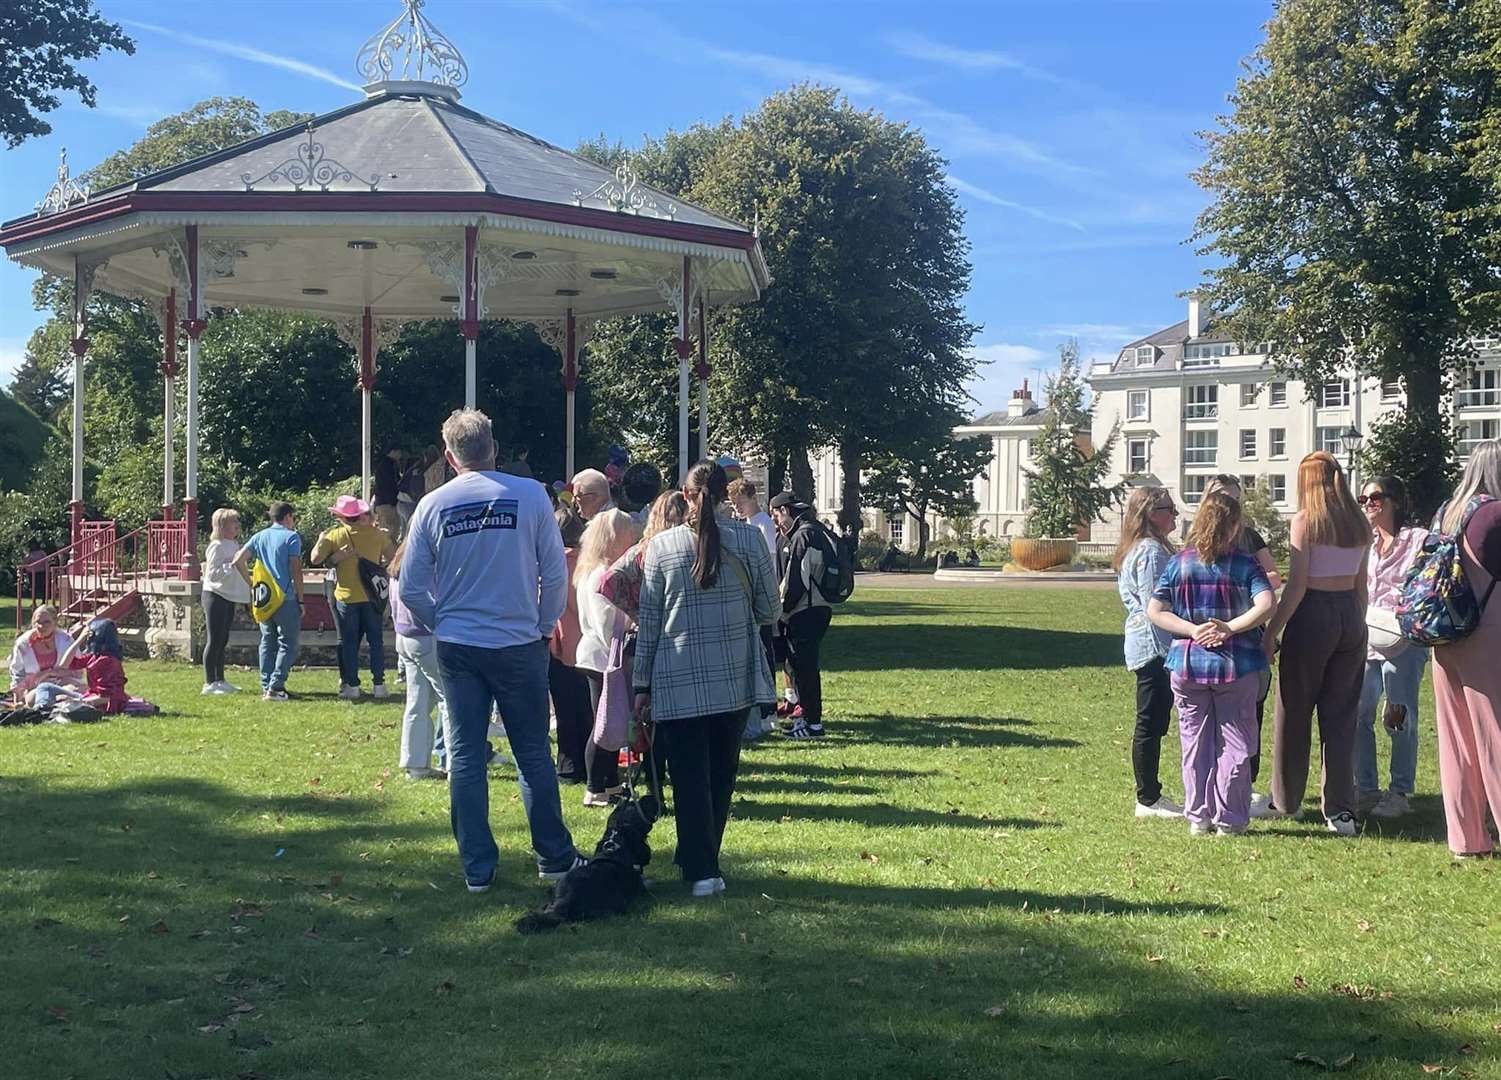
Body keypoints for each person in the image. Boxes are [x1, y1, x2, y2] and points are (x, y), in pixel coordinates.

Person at [400, 407, 583, 891]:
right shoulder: (529, 495)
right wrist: (543, 626)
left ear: (449, 456)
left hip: (460, 644)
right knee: (532, 753)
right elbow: (555, 570)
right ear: (494, 449)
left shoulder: (433, 505)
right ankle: (553, 855)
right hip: (519, 639)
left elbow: (411, 588)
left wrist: (444, 622)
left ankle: (477, 868)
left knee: (464, 755)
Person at [633, 460, 777, 896]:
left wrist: (641, 685)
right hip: (732, 677)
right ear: (724, 494)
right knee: (719, 775)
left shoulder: (660, 548)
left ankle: (699, 864)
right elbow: (770, 610)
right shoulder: (751, 541)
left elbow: (650, 624)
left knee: (689, 777)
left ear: (685, 493)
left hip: (675, 679)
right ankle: (703, 862)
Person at [1148, 491, 1276, 836]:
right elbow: (1266, 603)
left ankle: (1198, 815)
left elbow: (1155, 610)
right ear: (1234, 526)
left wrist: (1192, 630)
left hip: (1187, 664)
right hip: (1236, 665)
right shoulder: (1246, 564)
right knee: (1235, 742)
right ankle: (1229, 818)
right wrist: (1230, 628)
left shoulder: (1179, 563)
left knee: (1194, 742)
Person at [1263, 452, 1372, 836]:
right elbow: (1362, 586)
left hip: (1313, 615)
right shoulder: (1360, 523)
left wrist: (1271, 630)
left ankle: (1286, 801)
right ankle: (1341, 811)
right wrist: (1358, 624)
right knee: (1341, 716)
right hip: (1351, 615)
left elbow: (1296, 587)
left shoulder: (1305, 521)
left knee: (1294, 710)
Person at [1429, 440, 1501, 858]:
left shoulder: (1447, 512)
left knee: (1456, 741)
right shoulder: (1494, 514)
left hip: (1445, 631)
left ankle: (1466, 839)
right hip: (1487, 630)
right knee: (1495, 734)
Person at [1204, 474, 1284, 812]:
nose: (1228, 503)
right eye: (1222, 496)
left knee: (1250, 713)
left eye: (1234, 497)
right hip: (1208, 637)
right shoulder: (1196, 539)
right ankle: (1211, 784)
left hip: (1247, 632)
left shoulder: (1249, 537)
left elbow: (1274, 576)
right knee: (1208, 718)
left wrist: (1247, 583)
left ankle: (1245, 784)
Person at [1354, 475, 1430, 819]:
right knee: (1358, 712)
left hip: (1404, 641)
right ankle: (1365, 786)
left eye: (1375, 498)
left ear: (1395, 501)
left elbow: (1429, 582)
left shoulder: (1418, 539)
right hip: (1367, 638)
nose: (1368, 504)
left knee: (1397, 718)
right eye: (1364, 499)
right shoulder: (1363, 541)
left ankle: (1399, 791)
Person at [1111, 485, 1185, 820]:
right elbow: (1155, 604)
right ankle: (1148, 797)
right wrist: (1170, 651)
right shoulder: (1152, 552)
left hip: (1148, 642)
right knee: (1150, 721)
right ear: (1150, 514)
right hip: (1154, 646)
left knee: (1153, 720)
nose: (1175, 515)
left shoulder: (1142, 548)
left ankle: (1150, 794)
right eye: (1169, 508)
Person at [575, 509, 642, 806]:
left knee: (612, 718)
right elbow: (605, 622)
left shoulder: (591, 569)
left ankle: (610, 783)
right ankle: (594, 786)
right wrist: (630, 625)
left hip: (598, 653)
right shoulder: (601, 573)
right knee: (604, 723)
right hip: (602, 656)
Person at [312, 496, 396, 701]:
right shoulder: (377, 535)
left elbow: (314, 559)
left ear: (341, 516)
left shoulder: (335, 536)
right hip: (372, 597)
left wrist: (321, 540)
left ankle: (352, 685)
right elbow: (394, 557)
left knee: (349, 642)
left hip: (346, 597)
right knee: (376, 641)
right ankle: (379, 685)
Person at [769, 492, 836, 739]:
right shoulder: (815, 530)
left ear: (785, 511)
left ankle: (812, 724)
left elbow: (796, 581)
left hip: (805, 611)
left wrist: (781, 612)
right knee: (802, 666)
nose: (774, 520)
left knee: (805, 667)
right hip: (819, 607)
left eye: (775, 514)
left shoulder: (801, 536)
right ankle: (807, 719)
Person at [388, 540, 447, 781]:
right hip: (426, 637)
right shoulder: (425, 566)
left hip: (404, 637)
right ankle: (457, 763)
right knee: (449, 699)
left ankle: (415, 764)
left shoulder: (396, 566)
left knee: (417, 703)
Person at [234, 501, 305, 701]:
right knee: (288, 642)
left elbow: (238, 561)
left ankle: (266, 685)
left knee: (267, 640)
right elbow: (296, 570)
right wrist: (301, 599)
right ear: (288, 516)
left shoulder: (259, 536)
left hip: (264, 597)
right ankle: (276, 686)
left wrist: (252, 584)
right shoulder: (292, 537)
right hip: (286, 597)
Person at [548, 504, 591, 784]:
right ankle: (589, 764)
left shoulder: (550, 565)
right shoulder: (588, 564)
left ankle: (567, 766)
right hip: (587, 646)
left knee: (564, 710)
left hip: (558, 646)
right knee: (587, 709)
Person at [37, 618, 136, 714]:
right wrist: (79, 640)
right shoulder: (94, 657)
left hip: (104, 704)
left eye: (90, 634)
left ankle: (42, 712)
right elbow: (64, 664)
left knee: (62, 700)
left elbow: (105, 698)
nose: (88, 638)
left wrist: (77, 702)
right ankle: (41, 709)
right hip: (90, 696)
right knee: (45, 687)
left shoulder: (108, 661)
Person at [201, 508, 251, 695]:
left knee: (223, 638)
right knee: (214, 639)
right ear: (222, 526)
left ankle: (220, 679)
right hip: (215, 595)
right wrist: (231, 564)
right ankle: (209, 682)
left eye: (237, 521)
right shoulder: (217, 545)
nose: (237, 524)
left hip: (228, 595)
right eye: (233, 522)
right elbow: (212, 573)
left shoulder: (234, 544)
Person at [7, 605, 81, 700]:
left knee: (73, 690)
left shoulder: (66, 641)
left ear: (55, 622)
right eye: (38, 622)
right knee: (34, 698)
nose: (42, 626)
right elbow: (17, 673)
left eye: (47, 622)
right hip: (36, 687)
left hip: (64, 683)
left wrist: (49, 673)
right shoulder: (23, 644)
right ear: (33, 623)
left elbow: (77, 670)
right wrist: (18, 696)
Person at [729, 478, 778, 565]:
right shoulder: (746, 523)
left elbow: (771, 558)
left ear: (754, 498)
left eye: (741, 502)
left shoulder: (765, 523)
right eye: (733, 503)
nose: (736, 507)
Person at [373, 446, 403, 536]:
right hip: (387, 504)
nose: (400, 455)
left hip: (382, 502)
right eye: (399, 452)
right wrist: (393, 501)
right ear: (393, 451)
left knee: (389, 533)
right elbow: (389, 485)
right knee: (389, 534)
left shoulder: (384, 465)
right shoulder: (388, 466)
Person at [398, 453, 428, 540]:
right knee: (411, 532)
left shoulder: (411, 470)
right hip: (408, 503)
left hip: (400, 501)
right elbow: (415, 489)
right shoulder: (418, 471)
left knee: (404, 533)